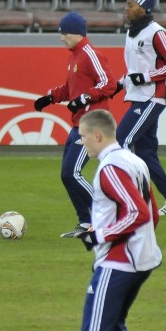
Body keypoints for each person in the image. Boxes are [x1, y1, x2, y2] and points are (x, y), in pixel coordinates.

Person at [70, 109, 161, 331]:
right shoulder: (134, 161)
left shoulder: (109, 168)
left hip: (119, 262)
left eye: (82, 136)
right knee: (116, 328)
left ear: (97, 135)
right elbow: (151, 212)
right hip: (143, 259)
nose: (81, 142)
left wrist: (99, 235)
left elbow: (136, 212)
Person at [33, 12, 117, 238]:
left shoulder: (90, 54)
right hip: (78, 123)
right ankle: (86, 221)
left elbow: (109, 84)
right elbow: (71, 89)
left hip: (92, 123)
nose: (62, 38)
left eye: (64, 33)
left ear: (77, 33)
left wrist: (85, 98)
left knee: (72, 172)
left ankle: (106, 215)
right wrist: (50, 97)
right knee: (66, 174)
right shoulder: (75, 56)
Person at [117, 0, 166, 216]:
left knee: (121, 141)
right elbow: (134, 70)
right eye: (126, 3)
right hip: (138, 96)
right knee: (146, 154)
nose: (126, 8)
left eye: (131, 4)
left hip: (151, 98)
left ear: (145, 8)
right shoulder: (131, 33)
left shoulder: (158, 33)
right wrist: (122, 82)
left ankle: (135, 202)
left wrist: (146, 78)